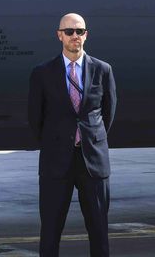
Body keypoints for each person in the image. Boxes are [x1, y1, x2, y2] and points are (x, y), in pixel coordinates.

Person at [28, 13, 117, 257]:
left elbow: (108, 113)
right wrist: (57, 141)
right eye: (69, 31)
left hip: (93, 163)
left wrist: (89, 138)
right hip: (56, 163)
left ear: (86, 35)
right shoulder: (42, 72)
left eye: (80, 31)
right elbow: (35, 118)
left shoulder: (103, 70)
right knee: (50, 231)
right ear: (60, 35)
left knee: (99, 231)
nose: (75, 35)